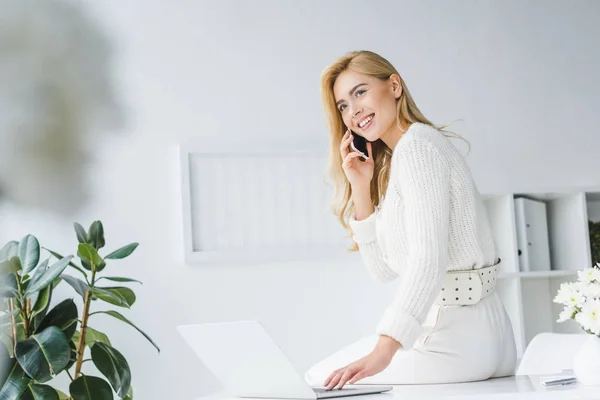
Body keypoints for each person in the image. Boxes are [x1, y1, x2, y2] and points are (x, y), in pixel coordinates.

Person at [304, 50, 517, 390]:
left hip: (460, 338)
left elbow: (428, 260)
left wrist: (385, 349)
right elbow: (383, 271)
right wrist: (362, 189)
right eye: (343, 104)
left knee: (319, 380)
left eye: (360, 92)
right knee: (325, 378)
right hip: (471, 331)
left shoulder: (418, 147)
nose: (353, 110)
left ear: (394, 86)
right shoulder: (399, 161)